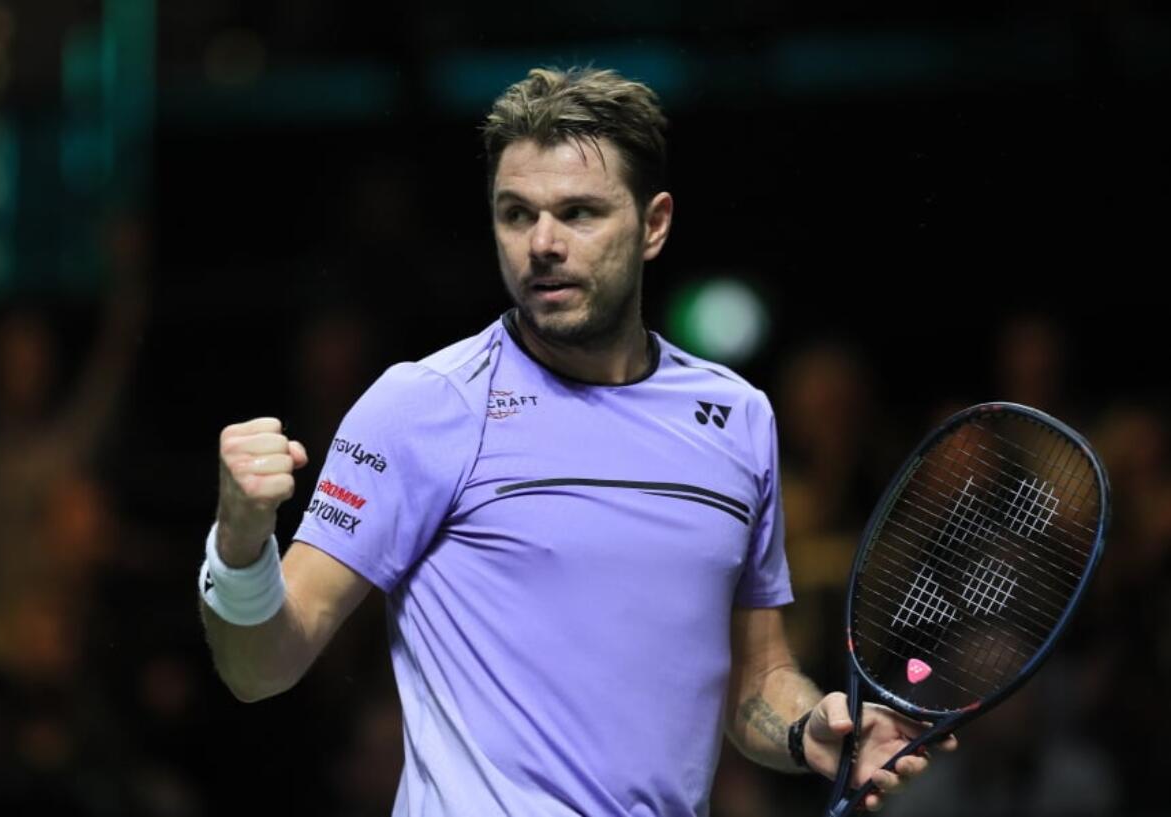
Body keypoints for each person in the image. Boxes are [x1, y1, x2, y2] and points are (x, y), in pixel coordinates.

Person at [199, 67, 953, 816]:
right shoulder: (424, 406)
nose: (543, 244)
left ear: (654, 224)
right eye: (516, 214)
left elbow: (757, 674)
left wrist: (806, 729)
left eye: (580, 212)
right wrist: (239, 538)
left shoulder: (738, 417)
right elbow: (260, 665)